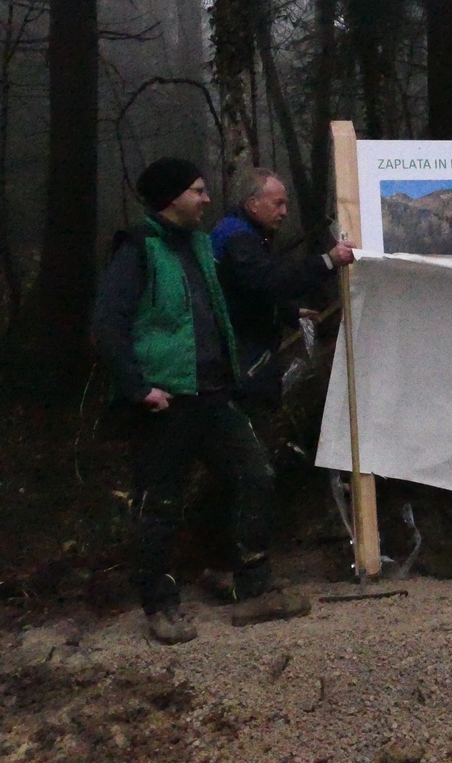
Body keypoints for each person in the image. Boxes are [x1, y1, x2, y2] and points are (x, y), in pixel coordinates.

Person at [92, 157, 310, 645]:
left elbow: (226, 306)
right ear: (171, 198)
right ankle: (160, 605)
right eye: (197, 191)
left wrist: (285, 314)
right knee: (159, 502)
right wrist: (137, 388)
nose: (207, 200)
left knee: (255, 475)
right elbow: (108, 323)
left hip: (214, 392)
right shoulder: (138, 250)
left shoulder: (198, 245)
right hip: (165, 399)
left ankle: (253, 586)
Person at [210, 167, 355, 411]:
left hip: (239, 352)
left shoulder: (239, 232)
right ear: (253, 204)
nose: (285, 212)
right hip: (242, 358)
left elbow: (246, 293)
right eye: (278, 204)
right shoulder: (239, 239)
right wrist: (328, 261)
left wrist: (288, 313)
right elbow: (270, 282)